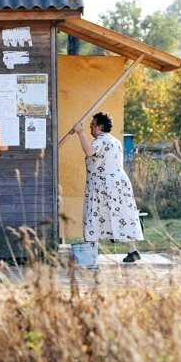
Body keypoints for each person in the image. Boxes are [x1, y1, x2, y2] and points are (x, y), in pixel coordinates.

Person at [73, 112, 143, 263]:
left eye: (92, 125)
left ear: (100, 126)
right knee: (123, 215)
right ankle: (132, 249)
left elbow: (90, 151)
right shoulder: (115, 141)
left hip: (103, 184)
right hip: (120, 183)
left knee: (95, 213)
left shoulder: (101, 140)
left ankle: (90, 251)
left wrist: (80, 133)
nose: (90, 127)